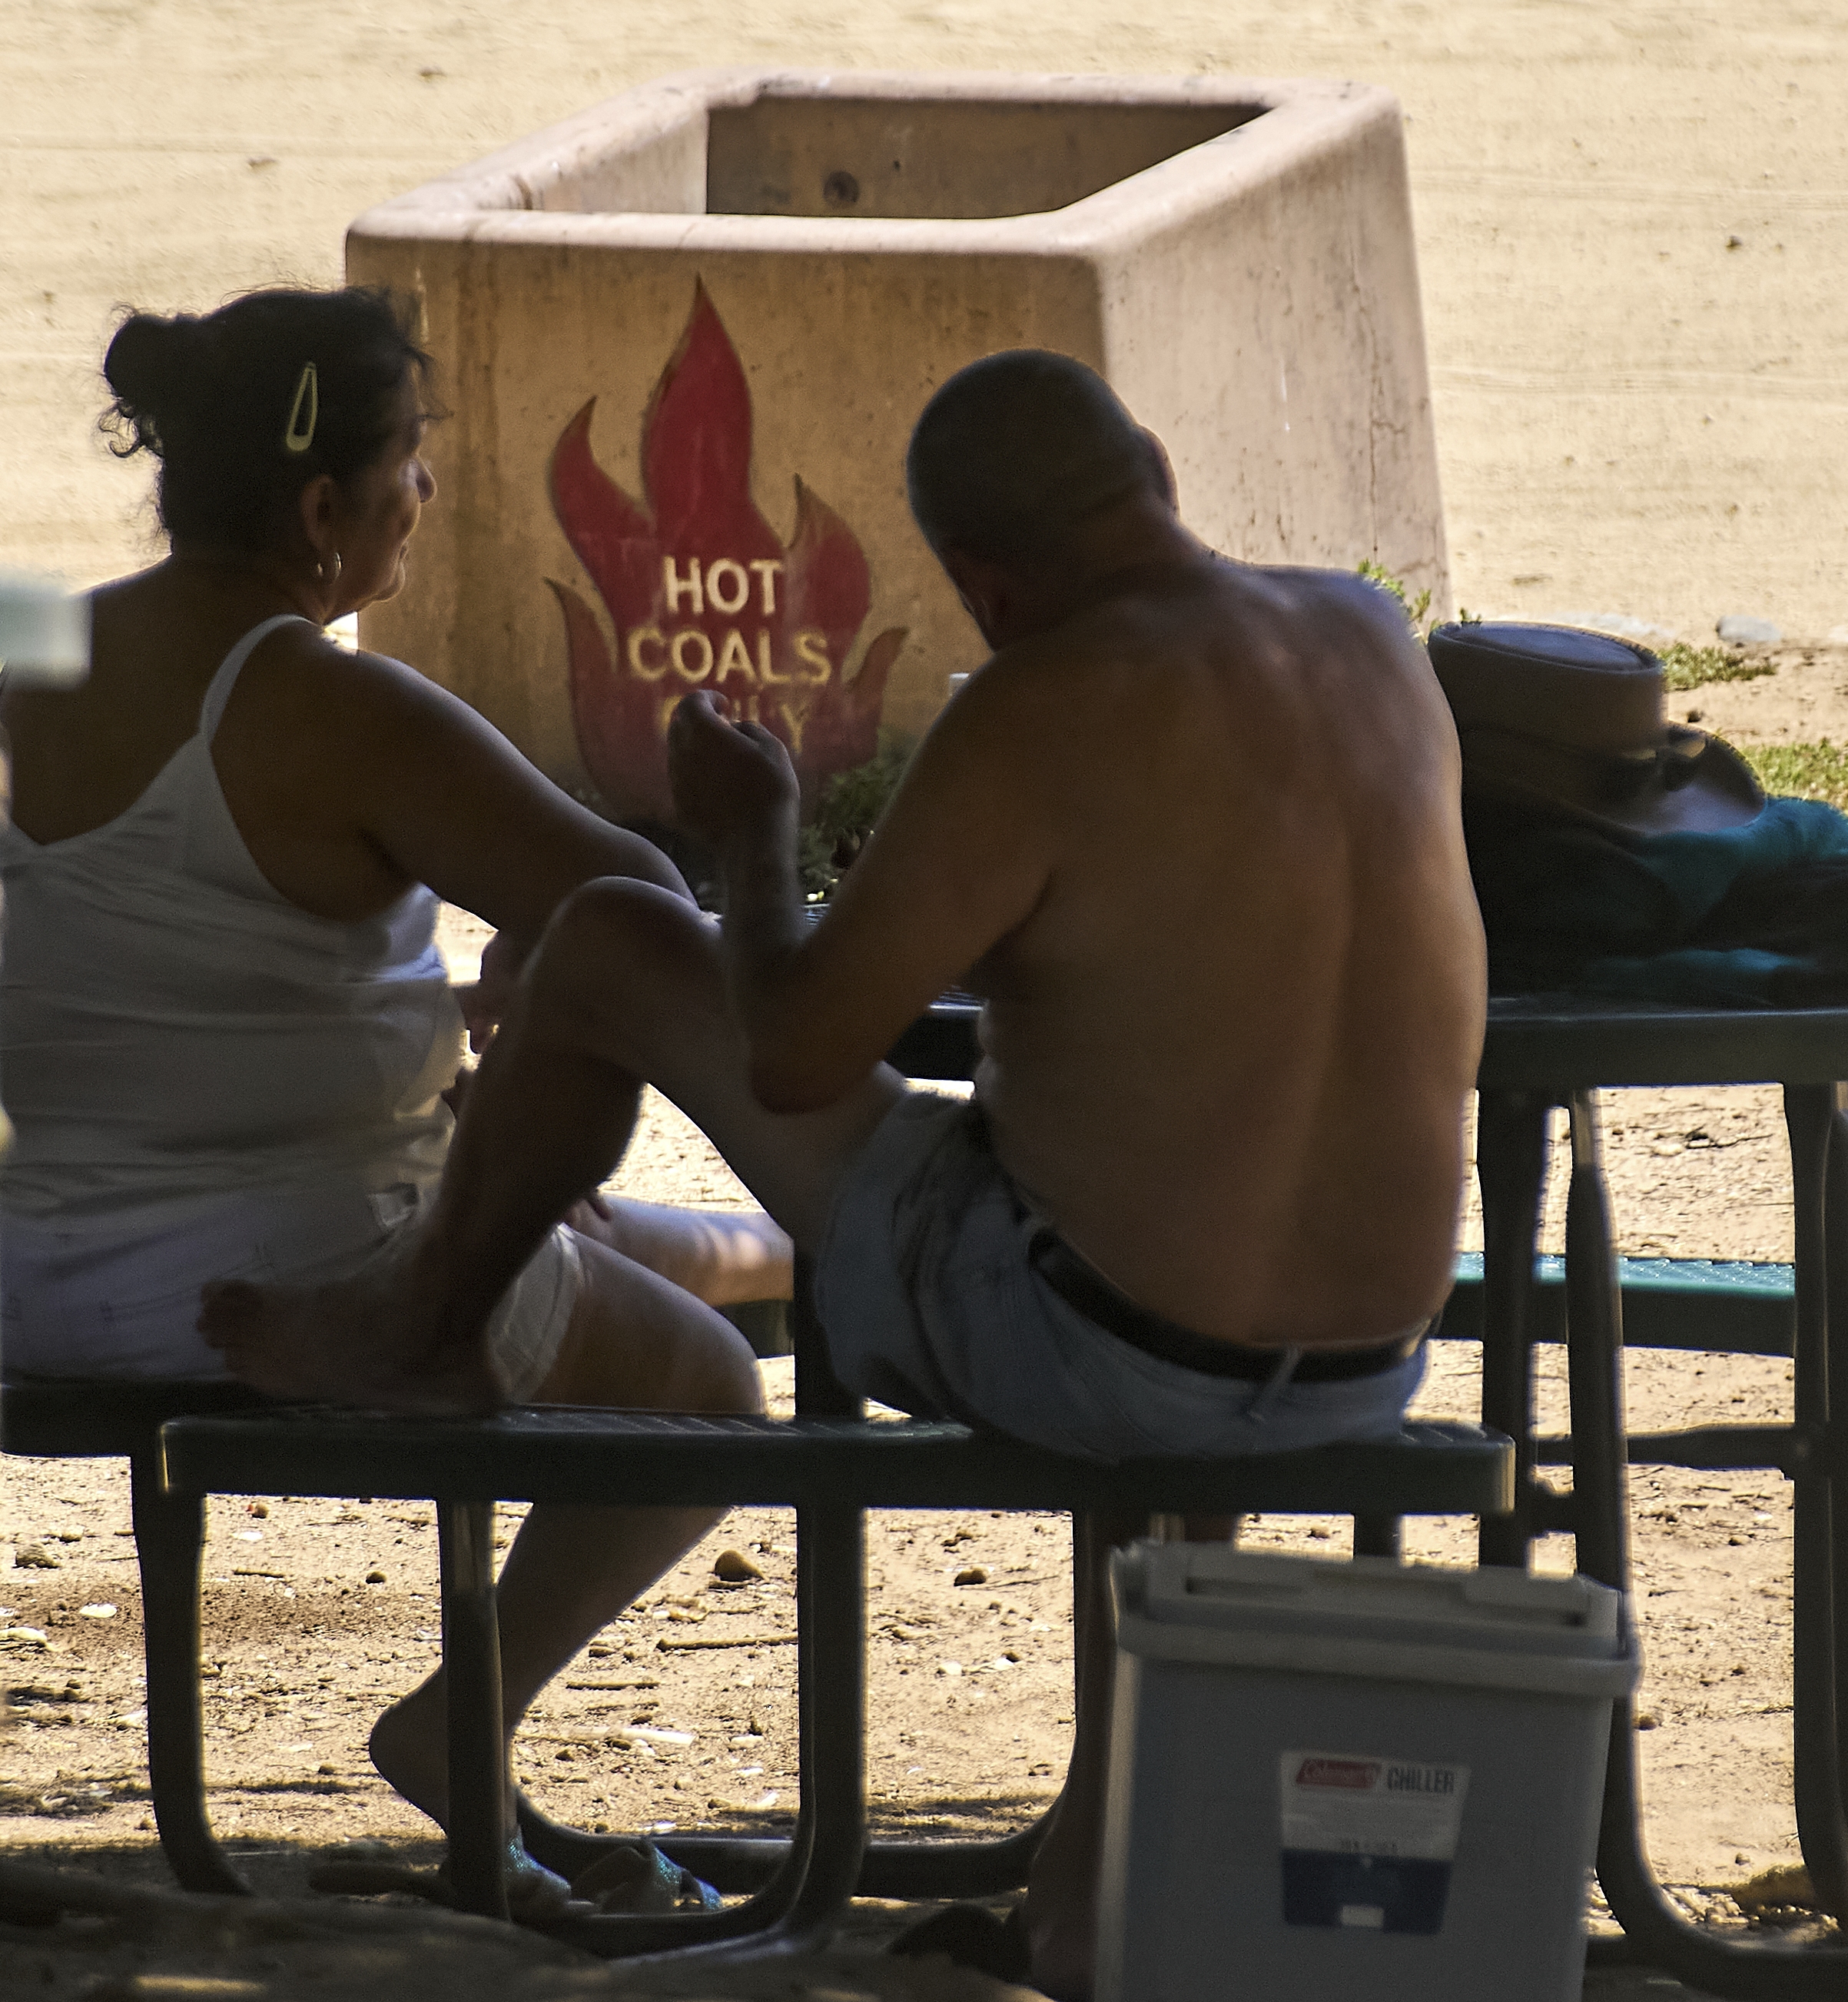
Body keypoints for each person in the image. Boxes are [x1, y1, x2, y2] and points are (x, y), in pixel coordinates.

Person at [205, 348, 1488, 1994]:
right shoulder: (1372, 639)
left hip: (1090, 1347)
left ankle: (427, 1313)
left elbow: (805, 1046)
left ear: (988, 584)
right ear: (1156, 466)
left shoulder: (1038, 700)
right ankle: (1090, 1895)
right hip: (1357, 1371)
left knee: (607, 941)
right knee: (1145, 1216)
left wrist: (752, 827)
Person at [0, 285, 791, 1882]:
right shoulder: (330, 701)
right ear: (319, 509)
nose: (422, 501)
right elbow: (631, 906)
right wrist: (525, 983)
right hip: (306, 1264)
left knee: (632, 1231)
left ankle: (793, 1255)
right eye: (411, 468)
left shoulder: (38, 638)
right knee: (717, 1397)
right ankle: (457, 1722)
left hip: (38, 1269)